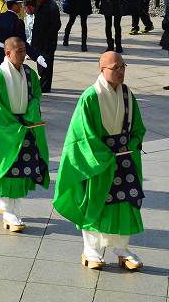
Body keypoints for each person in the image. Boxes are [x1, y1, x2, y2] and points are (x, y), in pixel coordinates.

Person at [53, 51, 146, 271]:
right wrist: (104, 156)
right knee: (96, 202)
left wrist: (132, 145)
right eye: (115, 68)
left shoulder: (128, 94)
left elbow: (137, 127)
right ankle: (91, 250)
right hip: (99, 159)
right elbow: (82, 135)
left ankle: (122, 249)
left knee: (124, 202)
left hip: (124, 158)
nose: (121, 71)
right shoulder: (90, 97)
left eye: (123, 66)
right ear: (102, 69)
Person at [0, 37, 50, 232]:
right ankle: (9, 212)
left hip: (24, 127)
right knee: (7, 169)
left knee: (21, 170)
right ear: (8, 53)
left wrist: (29, 116)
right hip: (6, 129)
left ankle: (12, 209)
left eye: (25, 50)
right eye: (19, 51)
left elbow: (36, 96)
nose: (24, 55)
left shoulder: (30, 74)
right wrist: (13, 125)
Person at [0, 0, 45, 69]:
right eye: (19, 5)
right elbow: (23, 42)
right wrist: (37, 57)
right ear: (14, 6)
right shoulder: (18, 22)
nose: (21, 7)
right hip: (13, 54)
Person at [31, 0, 60, 93]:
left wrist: (47, 35)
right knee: (40, 63)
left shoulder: (52, 6)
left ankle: (45, 85)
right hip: (38, 39)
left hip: (47, 41)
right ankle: (43, 82)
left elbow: (56, 25)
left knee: (46, 63)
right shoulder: (40, 3)